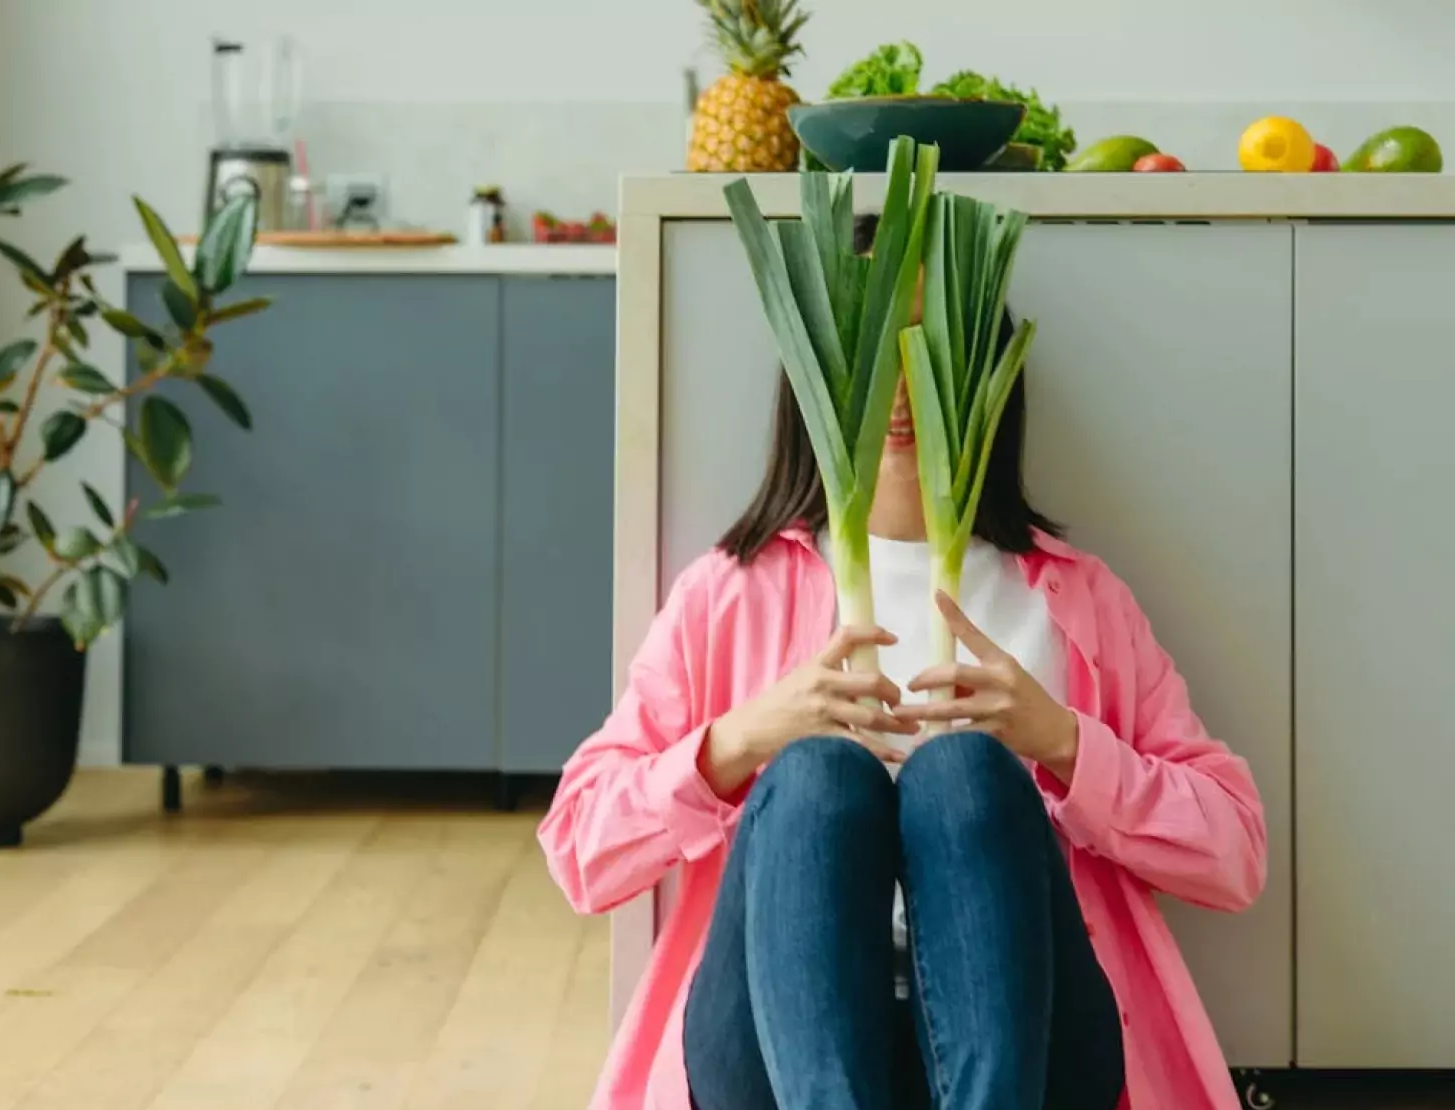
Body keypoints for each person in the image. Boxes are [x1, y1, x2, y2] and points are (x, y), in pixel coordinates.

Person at [537, 214, 1266, 1110]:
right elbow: (579, 850)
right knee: (814, 778)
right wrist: (740, 741)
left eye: (929, 348)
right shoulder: (732, 593)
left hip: (1030, 1052)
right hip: (771, 1056)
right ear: (817, 368)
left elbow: (1236, 855)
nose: (898, 386)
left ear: (986, 373)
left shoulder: (1073, 601)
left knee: (966, 774)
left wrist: (1065, 743)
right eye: (868, 345)